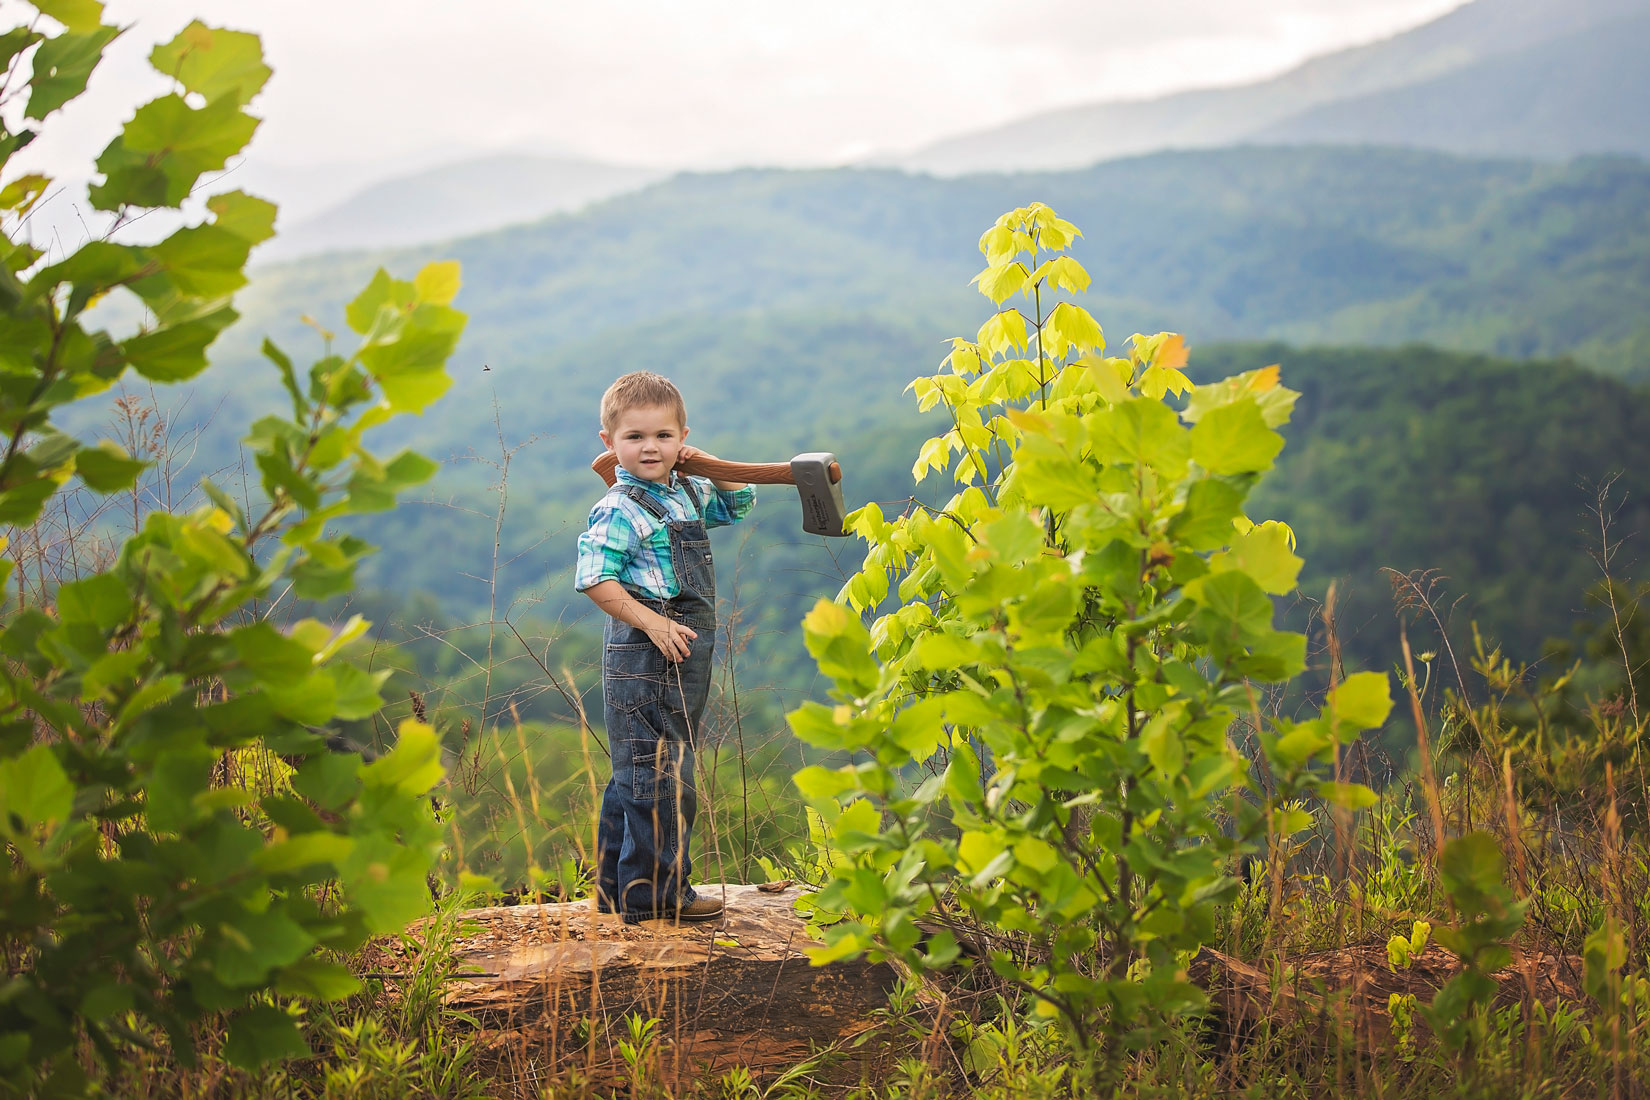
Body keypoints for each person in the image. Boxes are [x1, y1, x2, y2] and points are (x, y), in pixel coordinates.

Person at [575, 371, 754, 923]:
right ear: (610, 444)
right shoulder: (619, 507)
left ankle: (615, 887)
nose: (649, 447)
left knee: (638, 767)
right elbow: (595, 579)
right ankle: (658, 893)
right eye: (634, 437)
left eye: (662, 436)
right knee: (659, 772)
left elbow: (739, 504)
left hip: (683, 648)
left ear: (682, 439)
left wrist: (712, 465)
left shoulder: (685, 491)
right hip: (646, 649)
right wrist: (651, 623)